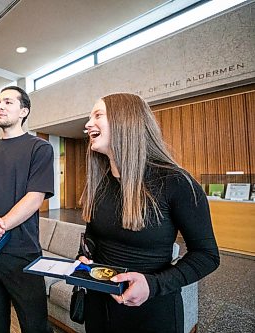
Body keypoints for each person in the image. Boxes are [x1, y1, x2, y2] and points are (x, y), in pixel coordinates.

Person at [78, 93, 220, 332]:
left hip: (152, 312)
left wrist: (152, 284)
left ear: (126, 121)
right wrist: (83, 258)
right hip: (99, 306)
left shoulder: (176, 182)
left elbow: (207, 255)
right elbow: (92, 236)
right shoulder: (101, 183)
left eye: (98, 115)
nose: (87, 125)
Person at [0, 86, 54, 333]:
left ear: (23, 111)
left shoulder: (39, 148)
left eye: (8, 102)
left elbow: (35, 197)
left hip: (22, 253)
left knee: (34, 324)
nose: (0, 107)